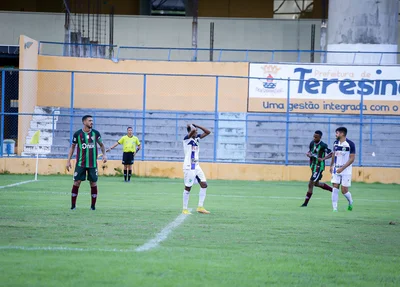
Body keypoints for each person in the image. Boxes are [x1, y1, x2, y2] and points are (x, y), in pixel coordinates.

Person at [66, 115, 107, 210]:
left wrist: (104, 155)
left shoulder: (96, 133)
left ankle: (93, 207)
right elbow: (72, 147)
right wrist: (68, 161)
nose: (91, 122)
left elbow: (101, 145)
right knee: (76, 182)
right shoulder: (78, 134)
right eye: (89, 121)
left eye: (92, 121)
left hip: (92, 164)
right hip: (81, 164)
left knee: (93, 183)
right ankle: (73, 206)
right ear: (84, 122)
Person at [182, 123, 211, 215]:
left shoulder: (197, 138)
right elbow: (193, 130)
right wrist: (191, 126)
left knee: (204, 184)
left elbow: (208, 132)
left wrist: (197, 125)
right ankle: (184, 209)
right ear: (190, 132)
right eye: (195, 131)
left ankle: (200, 207)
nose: (196, 132)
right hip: (189, 167)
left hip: (196, 166)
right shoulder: (186, 139)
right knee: (188, 187)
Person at [301, 130, 333, 207]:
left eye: (316, 137)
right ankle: (333, 190)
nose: (314, 138)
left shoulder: (323, 145)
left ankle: (305, 203)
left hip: (319, 166)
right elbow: (310, 151)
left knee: (311, 182)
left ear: (320, 137)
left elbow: (331, 153)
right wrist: (308, 154)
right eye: (314, 136)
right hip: (313, 165)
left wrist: (323, 158)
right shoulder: (312, 143)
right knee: (316, 183)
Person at [330, 127, 355, 212]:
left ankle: (350, 202)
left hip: (346, 170)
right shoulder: (335, 143)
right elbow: (334, 154)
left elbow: (352, 159)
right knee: (335, 187)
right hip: (336, 169)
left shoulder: (350, 144)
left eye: (337, 133)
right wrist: (331, 165)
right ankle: (334, 208)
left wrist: (342, 168)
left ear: (342, 134)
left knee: (344, 190)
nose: (335, 134)